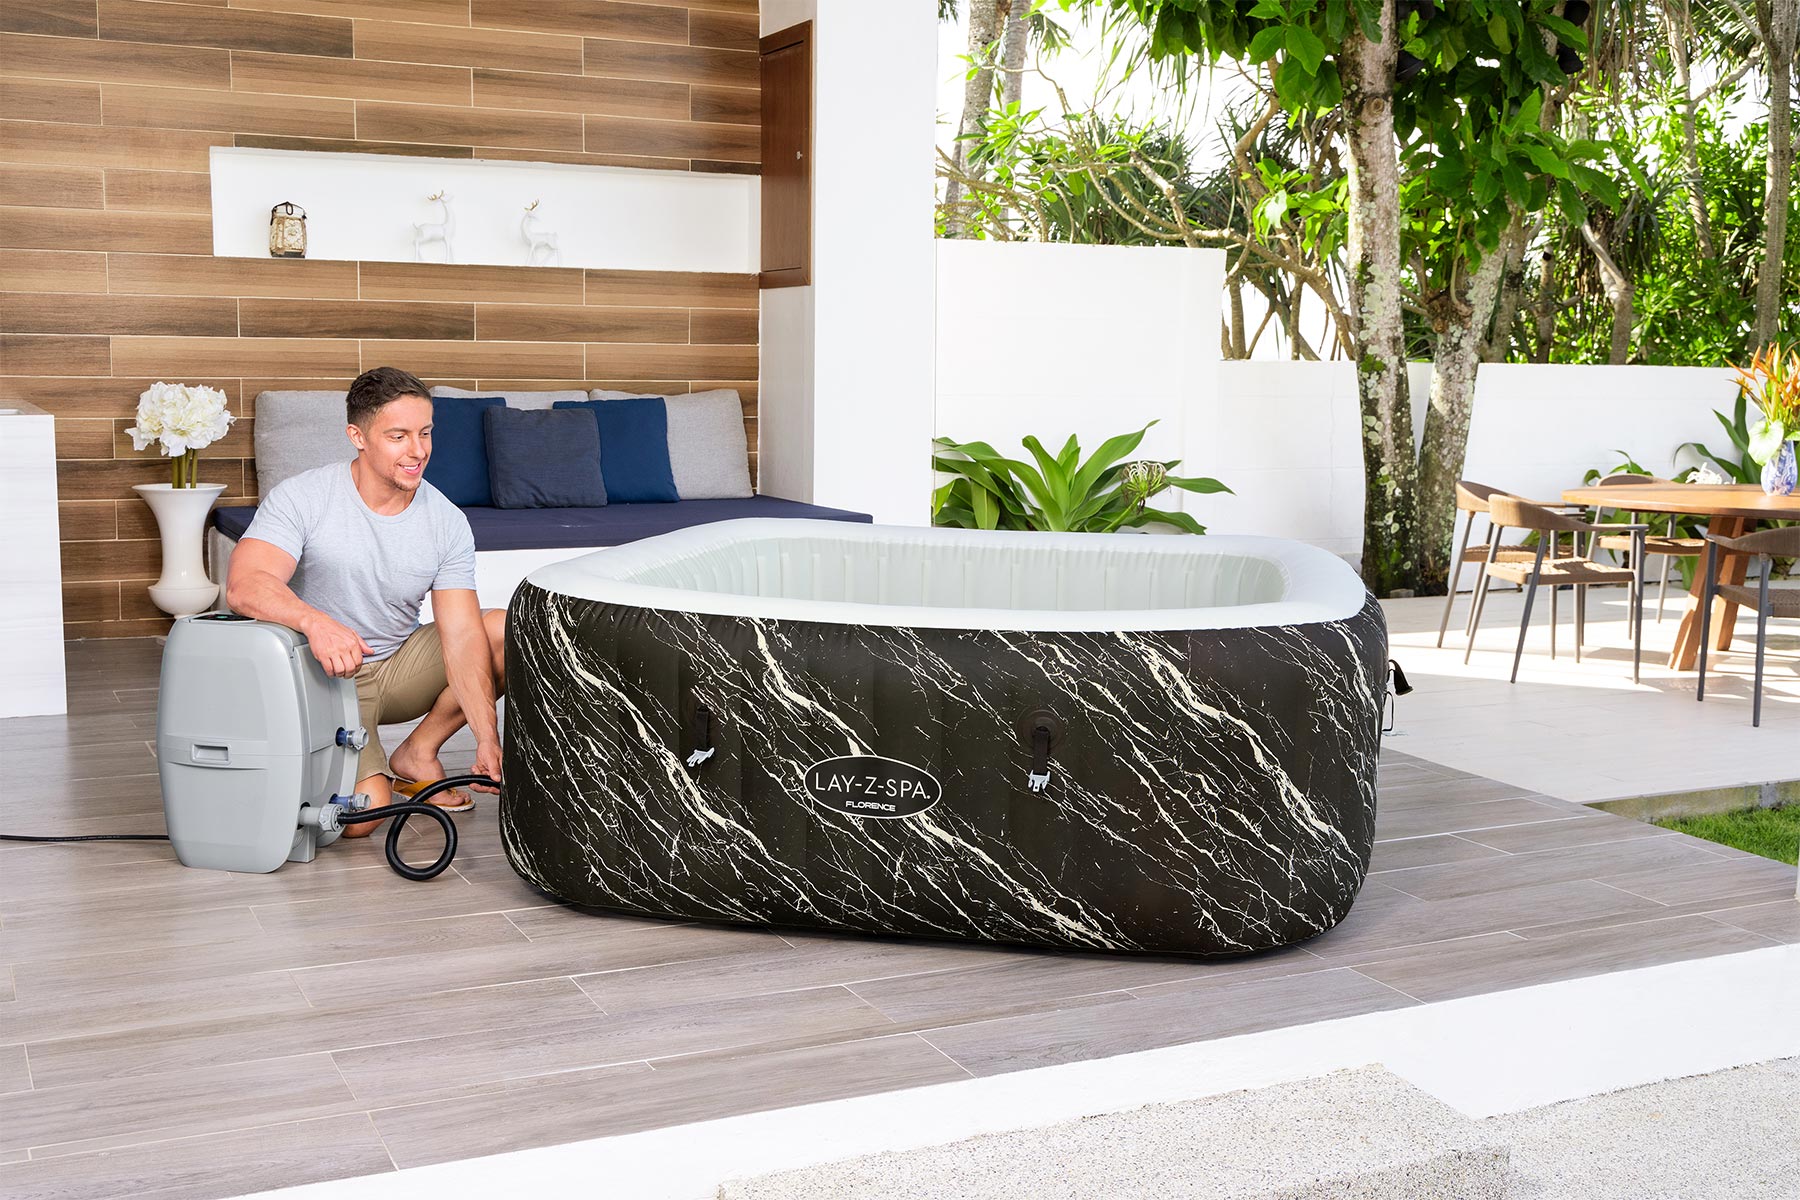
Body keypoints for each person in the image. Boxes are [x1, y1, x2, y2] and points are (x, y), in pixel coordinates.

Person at [225, 366, 503, 835]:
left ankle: (416, 752)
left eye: (425, 433)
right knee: (358, 820)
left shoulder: (447, 521)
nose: (418, 451)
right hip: (323, 675)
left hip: (394, 667)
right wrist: (316, 623)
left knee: (499, 628)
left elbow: (460, 636)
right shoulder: (304, 497)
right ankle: (353, 754)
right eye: (398, 436)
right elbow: (244, 585)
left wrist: (486, 737)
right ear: (357, 436)